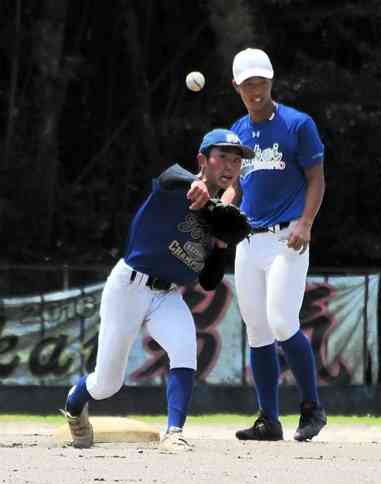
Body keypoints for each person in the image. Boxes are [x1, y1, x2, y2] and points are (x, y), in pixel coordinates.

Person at [61, 128, 254, 452]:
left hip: (166, 296)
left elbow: (207, 282)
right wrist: (192, 183)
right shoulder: (177, 187)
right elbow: (168, 175)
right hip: (128, 287)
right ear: (202, 160)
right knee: (107, 383)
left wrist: (220, 245)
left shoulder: (218, 216)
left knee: (184, 349)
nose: (230, 166)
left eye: (236, 161)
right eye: (222, 157)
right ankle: (74, 403)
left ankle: (174, 432)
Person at [221, 48, 327, 441]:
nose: (256, 89)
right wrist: (221, 208)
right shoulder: (239, 132)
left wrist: (306, 221)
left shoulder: (298, 124)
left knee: (283, 321)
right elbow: (235, 184)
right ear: (237, 87)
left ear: (271, 81)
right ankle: (269, 420)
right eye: (248, 83)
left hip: (288, 238)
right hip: (249, 241)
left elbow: (316, 178)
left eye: (261, 81)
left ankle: (312, 409)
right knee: (257, 330)